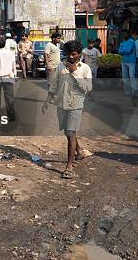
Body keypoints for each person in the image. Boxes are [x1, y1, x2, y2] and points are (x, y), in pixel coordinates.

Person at [43, 40, 93, 179]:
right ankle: (80, 152)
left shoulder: (85, 68)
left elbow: (88, 88)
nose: (70, 57)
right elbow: (54, 85)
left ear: (79, 54)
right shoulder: (60, 66)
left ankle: (69, 166)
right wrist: (47, 101)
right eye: (68, 54)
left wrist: (75, 73)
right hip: (61, 104)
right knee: (68, 132)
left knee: (71, 133)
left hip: (76, 105)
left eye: (73, 54)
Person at [118, 30, 138, 97]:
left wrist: (123, 51)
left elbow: (128, 50)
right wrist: (125, 51)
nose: (124, 35)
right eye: (123, 34)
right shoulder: (122, 43)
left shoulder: (132, 41)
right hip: (123, 61)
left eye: (126, 34)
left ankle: (135, 91)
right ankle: (127, 92)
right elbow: (119, 52)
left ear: (128, 34)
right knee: (125, 77)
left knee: (132, 76)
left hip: (131, 61)